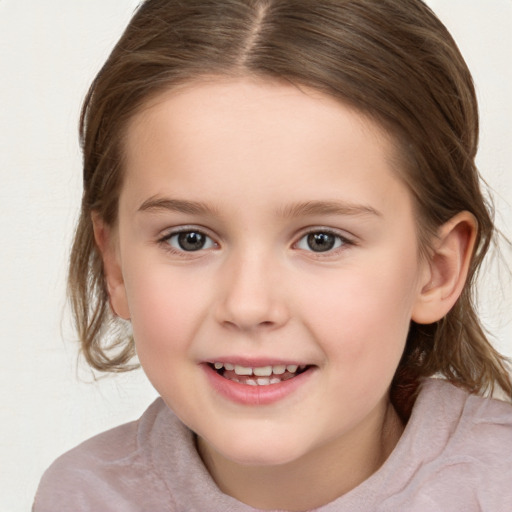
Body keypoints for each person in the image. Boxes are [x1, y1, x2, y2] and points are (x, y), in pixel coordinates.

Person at [33, 0, 512, 510]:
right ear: (116, 266)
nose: (248, 306)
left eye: (321, 240)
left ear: (436, 270)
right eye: (189, 239)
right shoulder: (83, 497)